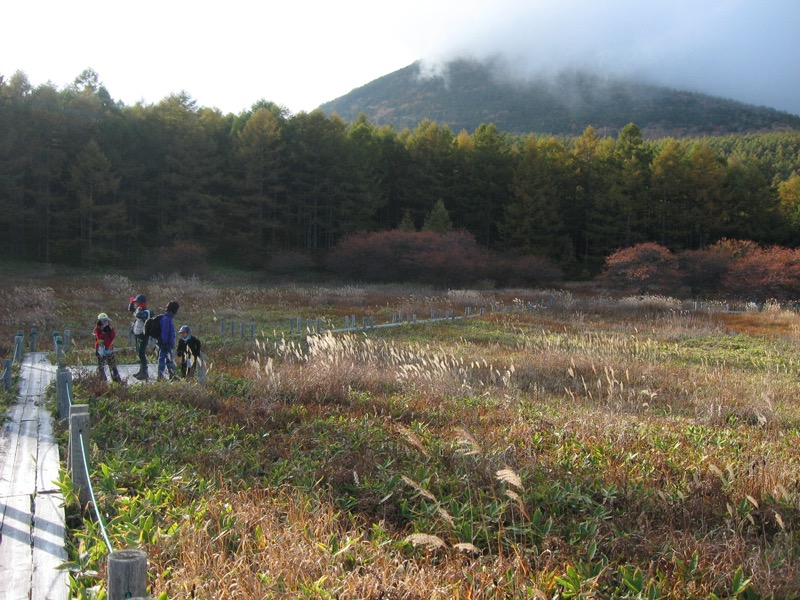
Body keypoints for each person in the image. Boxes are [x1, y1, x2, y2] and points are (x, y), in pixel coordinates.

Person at [128, 293, 151, 380]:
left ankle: (145, 371)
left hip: (143, 335)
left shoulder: (146, 312)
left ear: (141, 302)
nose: (135, 304)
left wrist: (136, 309)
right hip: (137, 333)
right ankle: (141, 370)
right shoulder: (139, 309)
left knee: (142, 353)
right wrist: (131, 303)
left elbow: (138, 315)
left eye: (137, 302)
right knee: (139, 352)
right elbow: (131, 309)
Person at [94, 312, 122, 383]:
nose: (105, 322)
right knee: (101, 366)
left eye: (106, 321)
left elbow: (112, 337)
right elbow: (99, 339)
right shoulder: (97, 329)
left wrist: (110, 330)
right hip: (100, 350)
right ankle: (102, 380)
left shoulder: (110, 327)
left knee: (112, 365)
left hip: (109, 349)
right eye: (103, 321)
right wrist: (103, 332)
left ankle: (116, 379)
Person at [157, 300, 179, 381]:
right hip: (165, 343)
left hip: (167, 343)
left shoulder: (168, 317)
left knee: (168, 360)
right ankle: (161, 376)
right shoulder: (166, 318)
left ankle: (171, 375)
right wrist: (165, 341)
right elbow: (165, 332)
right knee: (163, 359)